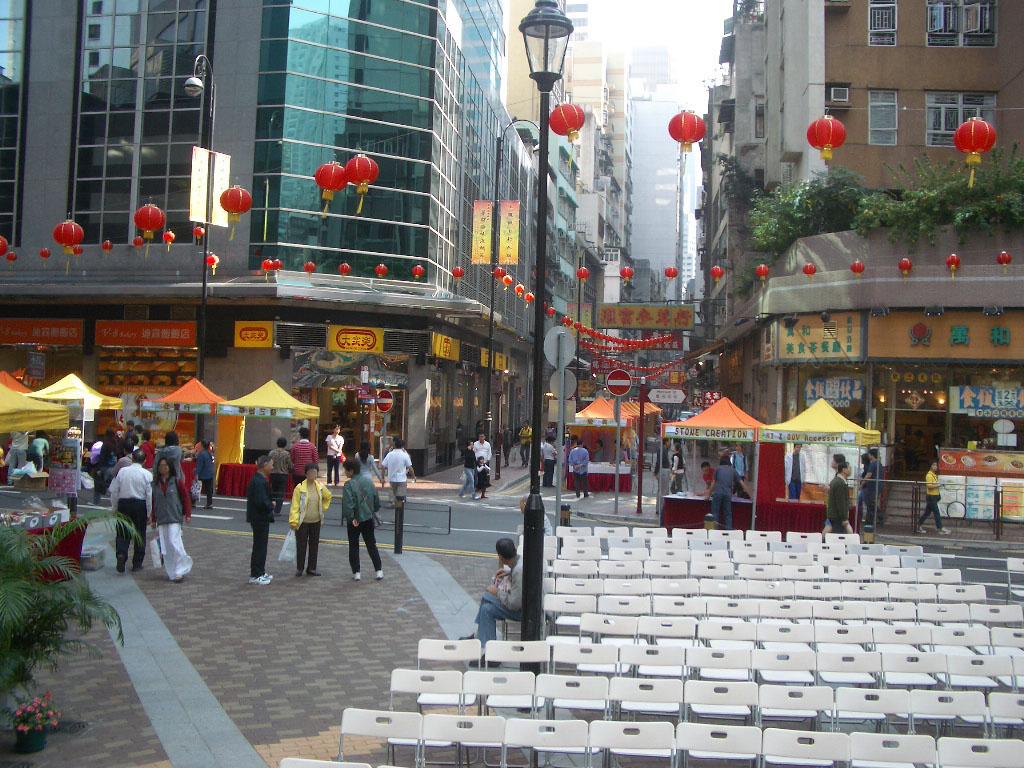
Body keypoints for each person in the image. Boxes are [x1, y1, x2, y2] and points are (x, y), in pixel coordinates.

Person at [462, 538, 523, 664]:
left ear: (500, 557)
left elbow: (514, 604)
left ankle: (479, 636)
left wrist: (498, 593)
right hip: (526, 607)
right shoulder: (520, 562)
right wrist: (508, 573)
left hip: (525, 612)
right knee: (486, 610)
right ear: (515, 550)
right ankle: (491, 654)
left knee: (487, 596)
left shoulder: (518, 571)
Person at [109, 449, 153, 574]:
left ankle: (121, 554)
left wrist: (115, 508)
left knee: (122, 532)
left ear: (132, 459)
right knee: (140, 534)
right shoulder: (147, 474)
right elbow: (149, 496)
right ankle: (137, 563)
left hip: (124, 503)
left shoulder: (122, 472)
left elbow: (115, 491)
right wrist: (148, 514)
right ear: (144, 461)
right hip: (140, 504)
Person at [150, 456, 193, 582]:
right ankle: (172, 572)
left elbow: (185, 497)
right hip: (162, 517)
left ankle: (181, 567)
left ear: (169, 467)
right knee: (166, 546)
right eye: (161, 466)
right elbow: (154, 501)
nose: (163, 468)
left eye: (165, 465)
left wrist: (187, 514)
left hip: (174, 516)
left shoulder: (176, 481)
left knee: (173, 541)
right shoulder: (156, 483)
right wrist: (153, 518)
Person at [341, 458, 384, 581]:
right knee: (371, 544)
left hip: (355, 520)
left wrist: (351, 517)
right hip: (368, 517)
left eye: (346, 470)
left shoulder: (349, 485)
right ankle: (379, 570)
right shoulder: (369, 482)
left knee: (354, 545)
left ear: (351, 471)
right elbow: (376, 500)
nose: (345, 473)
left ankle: (357, 572)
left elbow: (348, 504)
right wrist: (372, 510)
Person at [289, 463, 332, 577]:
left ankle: (312, 568)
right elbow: (295, 505)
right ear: (306, 473)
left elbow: (328, 497)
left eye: (315, 472)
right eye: (311, 472)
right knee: (301, 545)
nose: (313, 474)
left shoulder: (320, 487)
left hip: (316, 521)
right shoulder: (300, 488)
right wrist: (293, 521)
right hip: (303, 521)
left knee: (314, 545)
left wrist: (323, 508)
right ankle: (300, 568)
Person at [245, 456, 274, 585]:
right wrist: (270, 505)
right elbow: (260, 501)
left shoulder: (259, 479)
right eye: (271, 465)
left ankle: (260, 572)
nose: (272, 467)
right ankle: (256, 574)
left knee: (260, 546)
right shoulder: (259, 481)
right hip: (260, 517)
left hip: (258, 517)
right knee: (260, 546)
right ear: (265, 465)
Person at [705, 455, 751, 530]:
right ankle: (729, 532)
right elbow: (742, 483)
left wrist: (708, 495)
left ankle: (714, 532)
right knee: (728, 515)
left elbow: (713, 484)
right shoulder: (733, 470)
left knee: (715, 514)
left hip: (717, 493)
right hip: (727, 494)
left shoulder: (718, 469)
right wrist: (751, 496)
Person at [380, 437, 414, 505]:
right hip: (402, 479)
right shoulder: (405, 455)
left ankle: (393, 502)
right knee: (400, 496)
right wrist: (414, 476)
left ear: (395, 445)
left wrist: (382, 476)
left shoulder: (390, 454)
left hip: (392, 478)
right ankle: (398, 507)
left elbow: (383, 465)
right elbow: (410, 467)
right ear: (402, 446)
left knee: (392, 491)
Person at [920, 460, 950, 535]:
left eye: (936, 465)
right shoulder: (929, 475)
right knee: (936, 513)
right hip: (931, 496)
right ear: (930, 466)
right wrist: (938, 485)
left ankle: (918, 524)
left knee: (927, 513)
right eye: (934, 465)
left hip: (934, 496)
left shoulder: (934, 475)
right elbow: (929, 486)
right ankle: (940, 528)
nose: (935, 467)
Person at [825, 461, 854, 535]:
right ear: (844, 470)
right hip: (838, 517)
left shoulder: (839, 481)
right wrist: (844, 518)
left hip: (836, 516)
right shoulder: (840, 483)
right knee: (838, 537)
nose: (850, 470)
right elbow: (840, 502)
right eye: (849, 468)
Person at [268, 437, 293, 522]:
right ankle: (277, 510)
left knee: (273, 490)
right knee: (281, 492)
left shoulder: (272, 453)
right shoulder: (286, 454)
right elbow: (290, 465)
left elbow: (268, 462)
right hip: (283, 474)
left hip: (273, 473)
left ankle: (271, 506)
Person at [861, 447, 883, 526]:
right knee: (871, 503)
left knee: (871, 503)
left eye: (869, 454)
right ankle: (870, 520)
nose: (868, 456)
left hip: (873, 486)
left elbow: (868, 475)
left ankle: (880, 517)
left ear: (872, 455)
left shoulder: (873, 464)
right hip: (877, 486)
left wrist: (862, 484)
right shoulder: (879, 463)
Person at [195, 440, 215, 509]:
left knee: (197, 488)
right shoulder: (209, 453)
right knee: (209, 489)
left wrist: (196, 474)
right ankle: (210, 503)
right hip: (210, 473)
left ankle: (193, 501)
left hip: (204, 474)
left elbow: (199, 465)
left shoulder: (201, 454)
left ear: (202, 446)